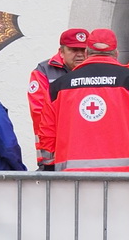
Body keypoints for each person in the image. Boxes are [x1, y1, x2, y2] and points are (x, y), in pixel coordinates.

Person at [37, 27, 129, 174]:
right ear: (116, 54)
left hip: (75, 178)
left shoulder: (58, 87)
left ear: (86, 53)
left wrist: (49, 165)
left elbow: (47, 131)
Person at [27, 28, 90, 167]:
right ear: (61, 51)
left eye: (83, 50)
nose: (80, 55)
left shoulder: (93, 71)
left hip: (84, 150)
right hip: (52, 151)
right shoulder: (43, 71)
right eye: (73, 50)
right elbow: (39, 111)